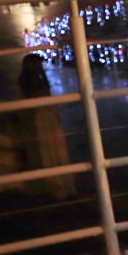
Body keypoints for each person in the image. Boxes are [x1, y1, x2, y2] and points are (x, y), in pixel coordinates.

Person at [15, 53, 74, 198]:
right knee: (49, 150)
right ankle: (56, 185)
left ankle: (52, 185)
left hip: (43, 119)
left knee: (45, 151)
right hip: (44, 119)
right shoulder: (36, 83)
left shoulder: (28, 82)